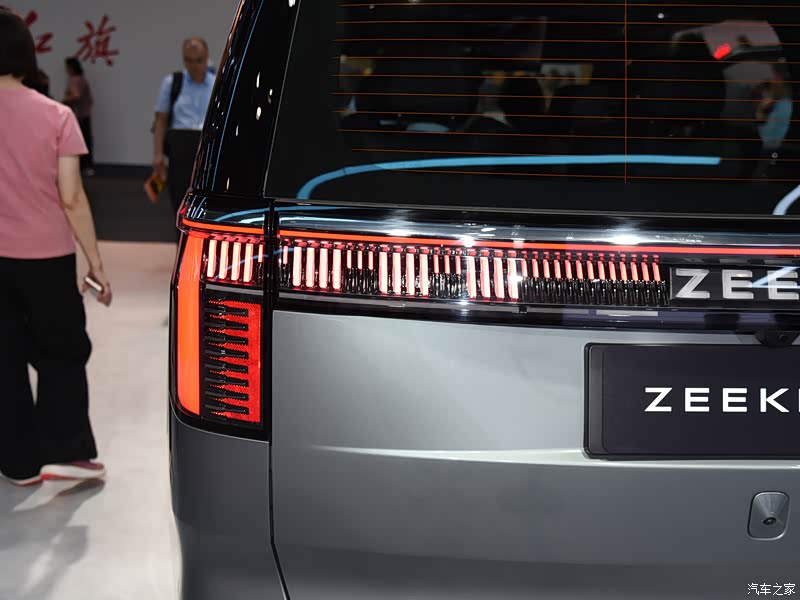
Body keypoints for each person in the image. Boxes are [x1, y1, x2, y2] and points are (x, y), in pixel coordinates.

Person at [0, 7, 111, 486]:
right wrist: (96, 263)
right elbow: (71, 197)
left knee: (4, 356)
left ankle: (17, 462)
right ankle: (66, 451)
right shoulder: (57, 115)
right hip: (45, 257)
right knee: (62, 350)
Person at [152, 37, 215, 225]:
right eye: (188, 60)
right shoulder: (172, 82)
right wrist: (158, 154)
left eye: (198, 60)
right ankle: (180, 239)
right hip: (180, 146)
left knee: (207, 199)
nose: (193, 65)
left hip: (206, 146)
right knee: (180, 199)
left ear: (207, 57)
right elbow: (161, 120)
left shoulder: (216, 83)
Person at [63, 57, 94, 174]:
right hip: (84, 113)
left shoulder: (74, 80)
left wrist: (63, 101)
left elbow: (76, 95)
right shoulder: (82, 79)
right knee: (86, 140)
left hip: (78, 114)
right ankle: (87, 166)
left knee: (78, 141)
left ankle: (80, 166)